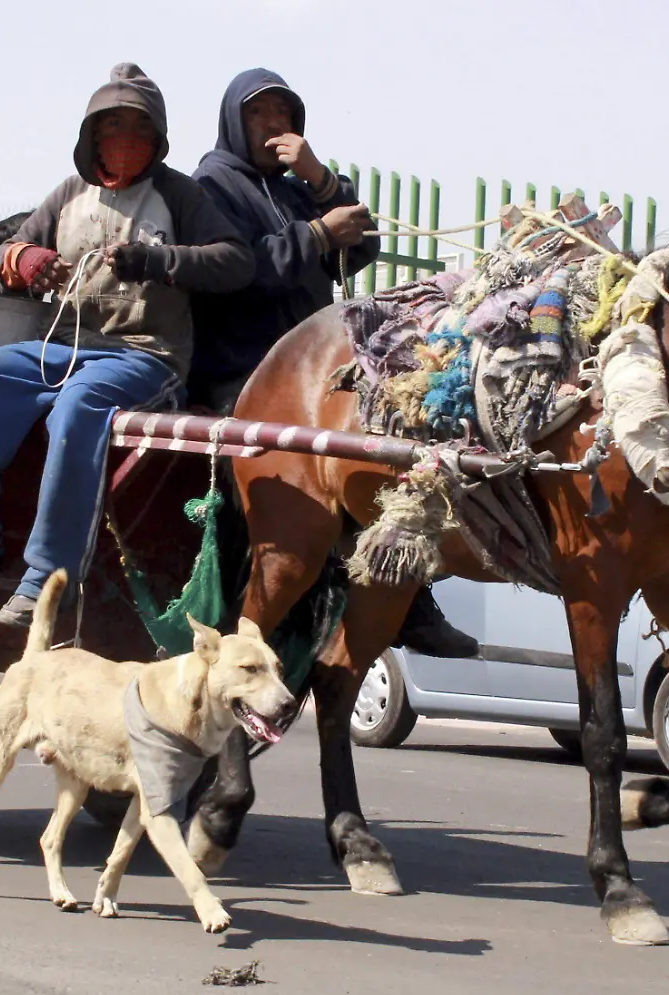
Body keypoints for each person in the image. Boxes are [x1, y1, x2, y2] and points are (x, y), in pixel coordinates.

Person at [0, 63, 255, 628]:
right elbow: (8, 257)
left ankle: (48, 580)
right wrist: (28, 263)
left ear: (157, 137)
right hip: (66, 344)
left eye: (138, 128)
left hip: (148, 355)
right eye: (112, 126)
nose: (124, 140)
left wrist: (159, 262)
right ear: (92, 135)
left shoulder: (179, 194)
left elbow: (237, 261)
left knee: (80, 406)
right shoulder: (69, 194)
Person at [191, 68, 477, 659]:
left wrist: (319, 179)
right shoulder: (211, 186)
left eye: (283, 114)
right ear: (232, 122)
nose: (273, 127)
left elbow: (363, 243)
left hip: (311, 368)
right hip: (240, 366)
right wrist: (318, 235)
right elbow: (239, 269)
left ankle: (408, 595)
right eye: (258, 115)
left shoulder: (298, 186)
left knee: (397, 430)